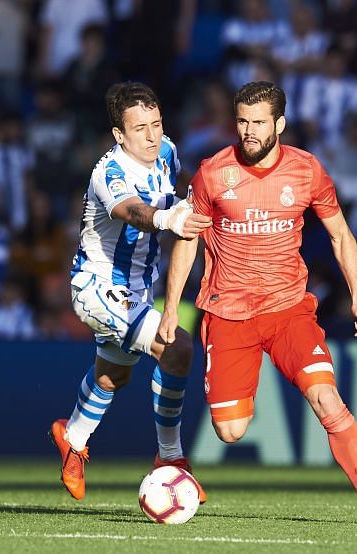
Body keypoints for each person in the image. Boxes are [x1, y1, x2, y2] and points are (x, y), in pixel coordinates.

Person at [158, 81, 357, 527]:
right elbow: (187, 238)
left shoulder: (307, 171)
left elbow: (340, 235)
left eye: (258, 122)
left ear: (280, 124)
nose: (249, 131)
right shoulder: (213, 173)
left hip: (287, 308)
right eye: (242, 121)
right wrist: (172, 309)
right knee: (230, 431)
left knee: (327, 399)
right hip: (227, 311)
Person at [49, 82, 212, 503]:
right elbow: (133, 212)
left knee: (112, 375)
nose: (152, 136)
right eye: (140, 129)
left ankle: (74, 436)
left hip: (138, 289)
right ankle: (171, 458)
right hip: (97, 286)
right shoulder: (110, 172)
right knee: (175, 347)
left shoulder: (169, 152)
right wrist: (167, 219)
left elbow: (186, 191)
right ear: (119, 135)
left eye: (156, 125)